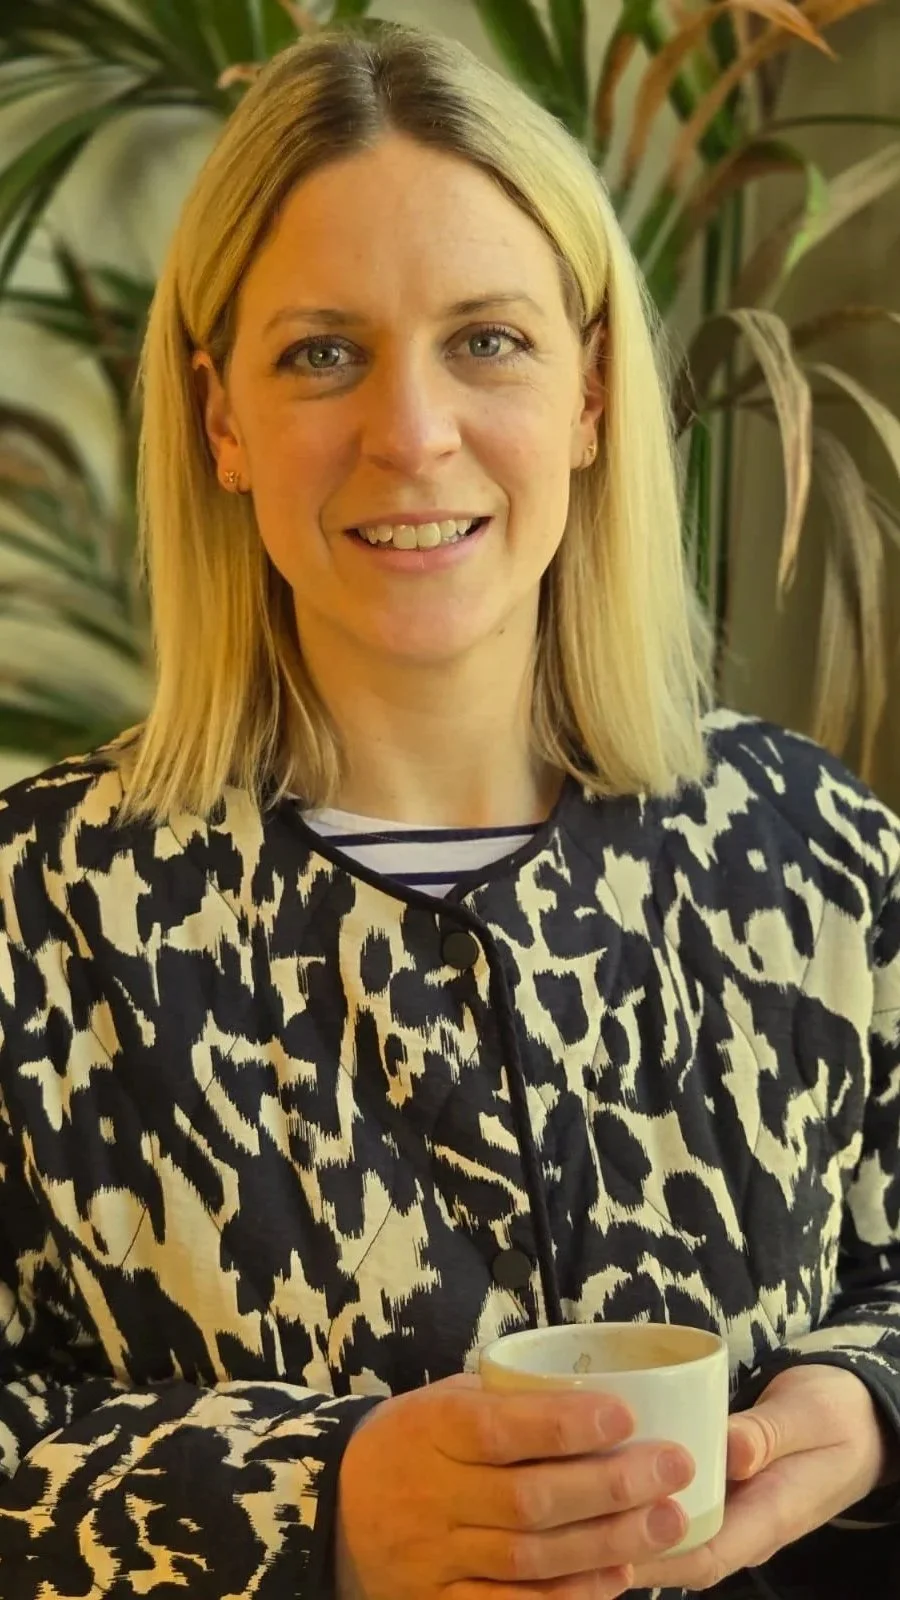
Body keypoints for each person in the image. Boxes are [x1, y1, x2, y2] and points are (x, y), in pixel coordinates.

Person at [0, 16, 897, 1600]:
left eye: (487, 340)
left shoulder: (820, 853)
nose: (413, 434)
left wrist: (868, 1403)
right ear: (221, 419)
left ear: (591, 392)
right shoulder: (39, 914)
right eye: (321, 354)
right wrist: (316, 1504)